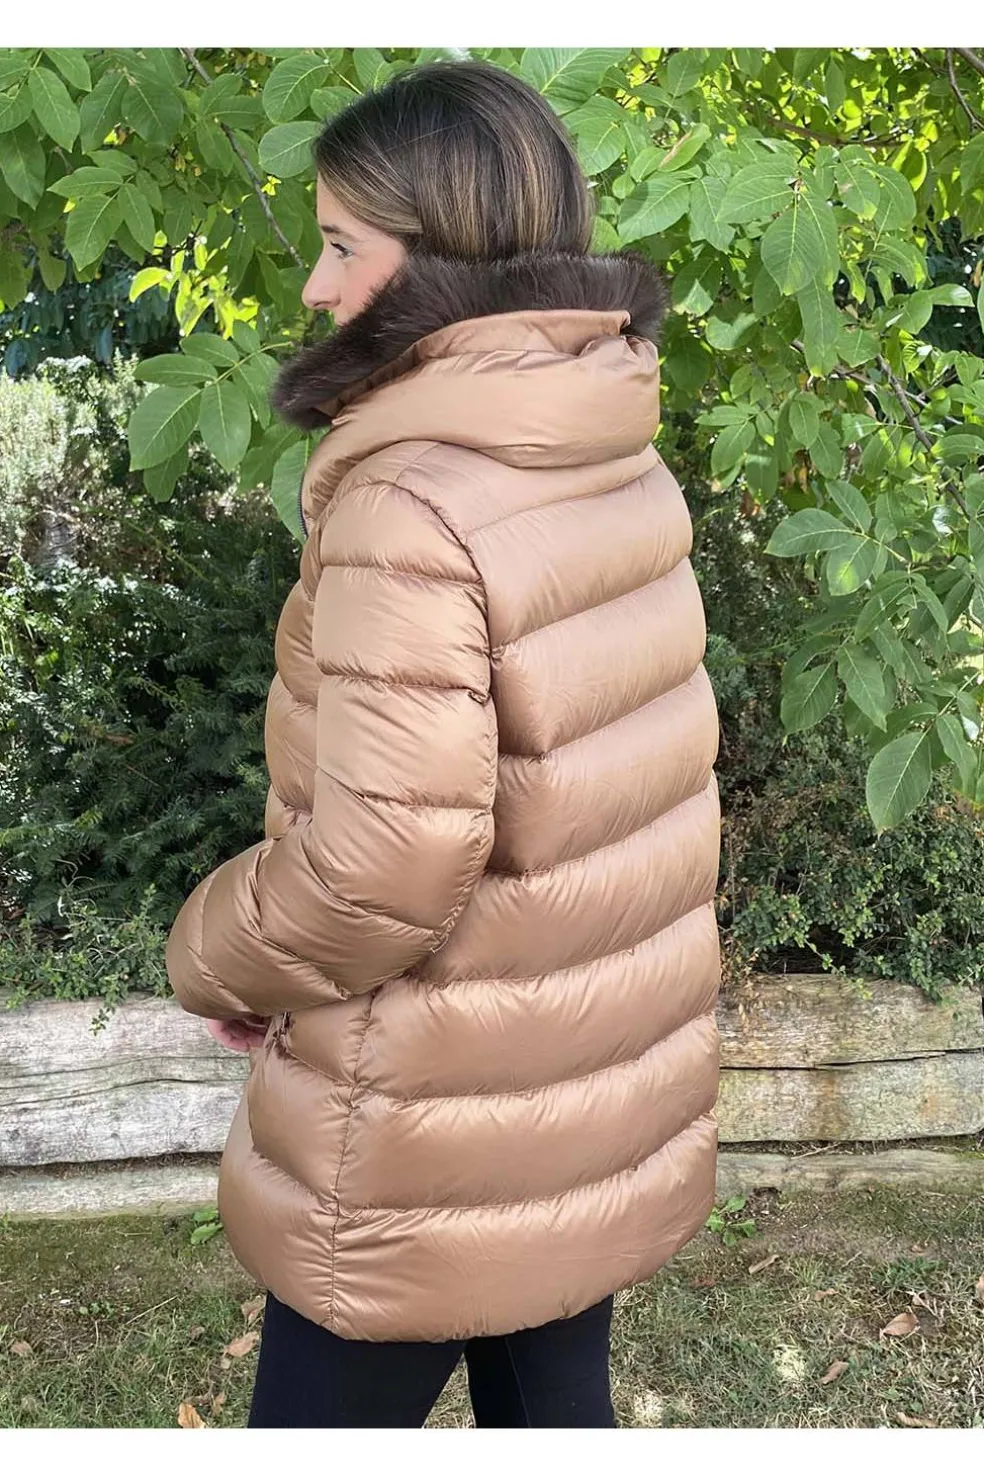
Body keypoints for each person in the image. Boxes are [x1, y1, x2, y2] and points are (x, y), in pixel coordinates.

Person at [165, 57, 722, 1429]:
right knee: (556, 1416)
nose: (315, 287)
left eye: (341, 245)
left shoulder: (411, 498)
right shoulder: (606, 440)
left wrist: (216, 955)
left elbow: (379, 869)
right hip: (580, 1084)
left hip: (427, 1123)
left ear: (438, 254)